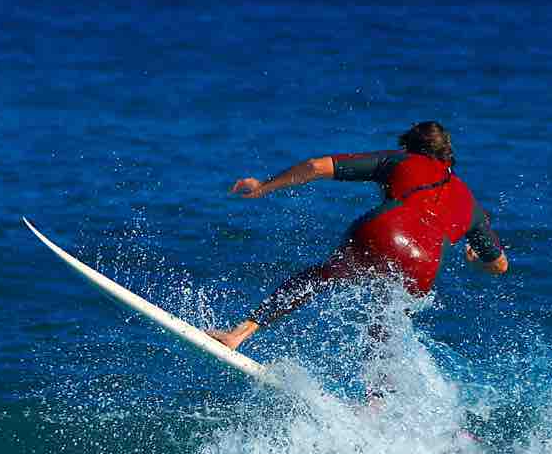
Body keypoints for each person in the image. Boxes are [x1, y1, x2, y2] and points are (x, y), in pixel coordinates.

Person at [208, 121, 508, 352]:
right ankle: (374, 405)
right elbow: (499, 265)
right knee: (388, 319)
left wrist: (263, 187)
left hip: (384, 232)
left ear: (410, 148)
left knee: (320, 276)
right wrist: (474, 262)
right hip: (426, 264)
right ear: (449, 157)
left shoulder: (402, 161)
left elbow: (315, 166)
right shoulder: (470, 204)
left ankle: (238, 334)